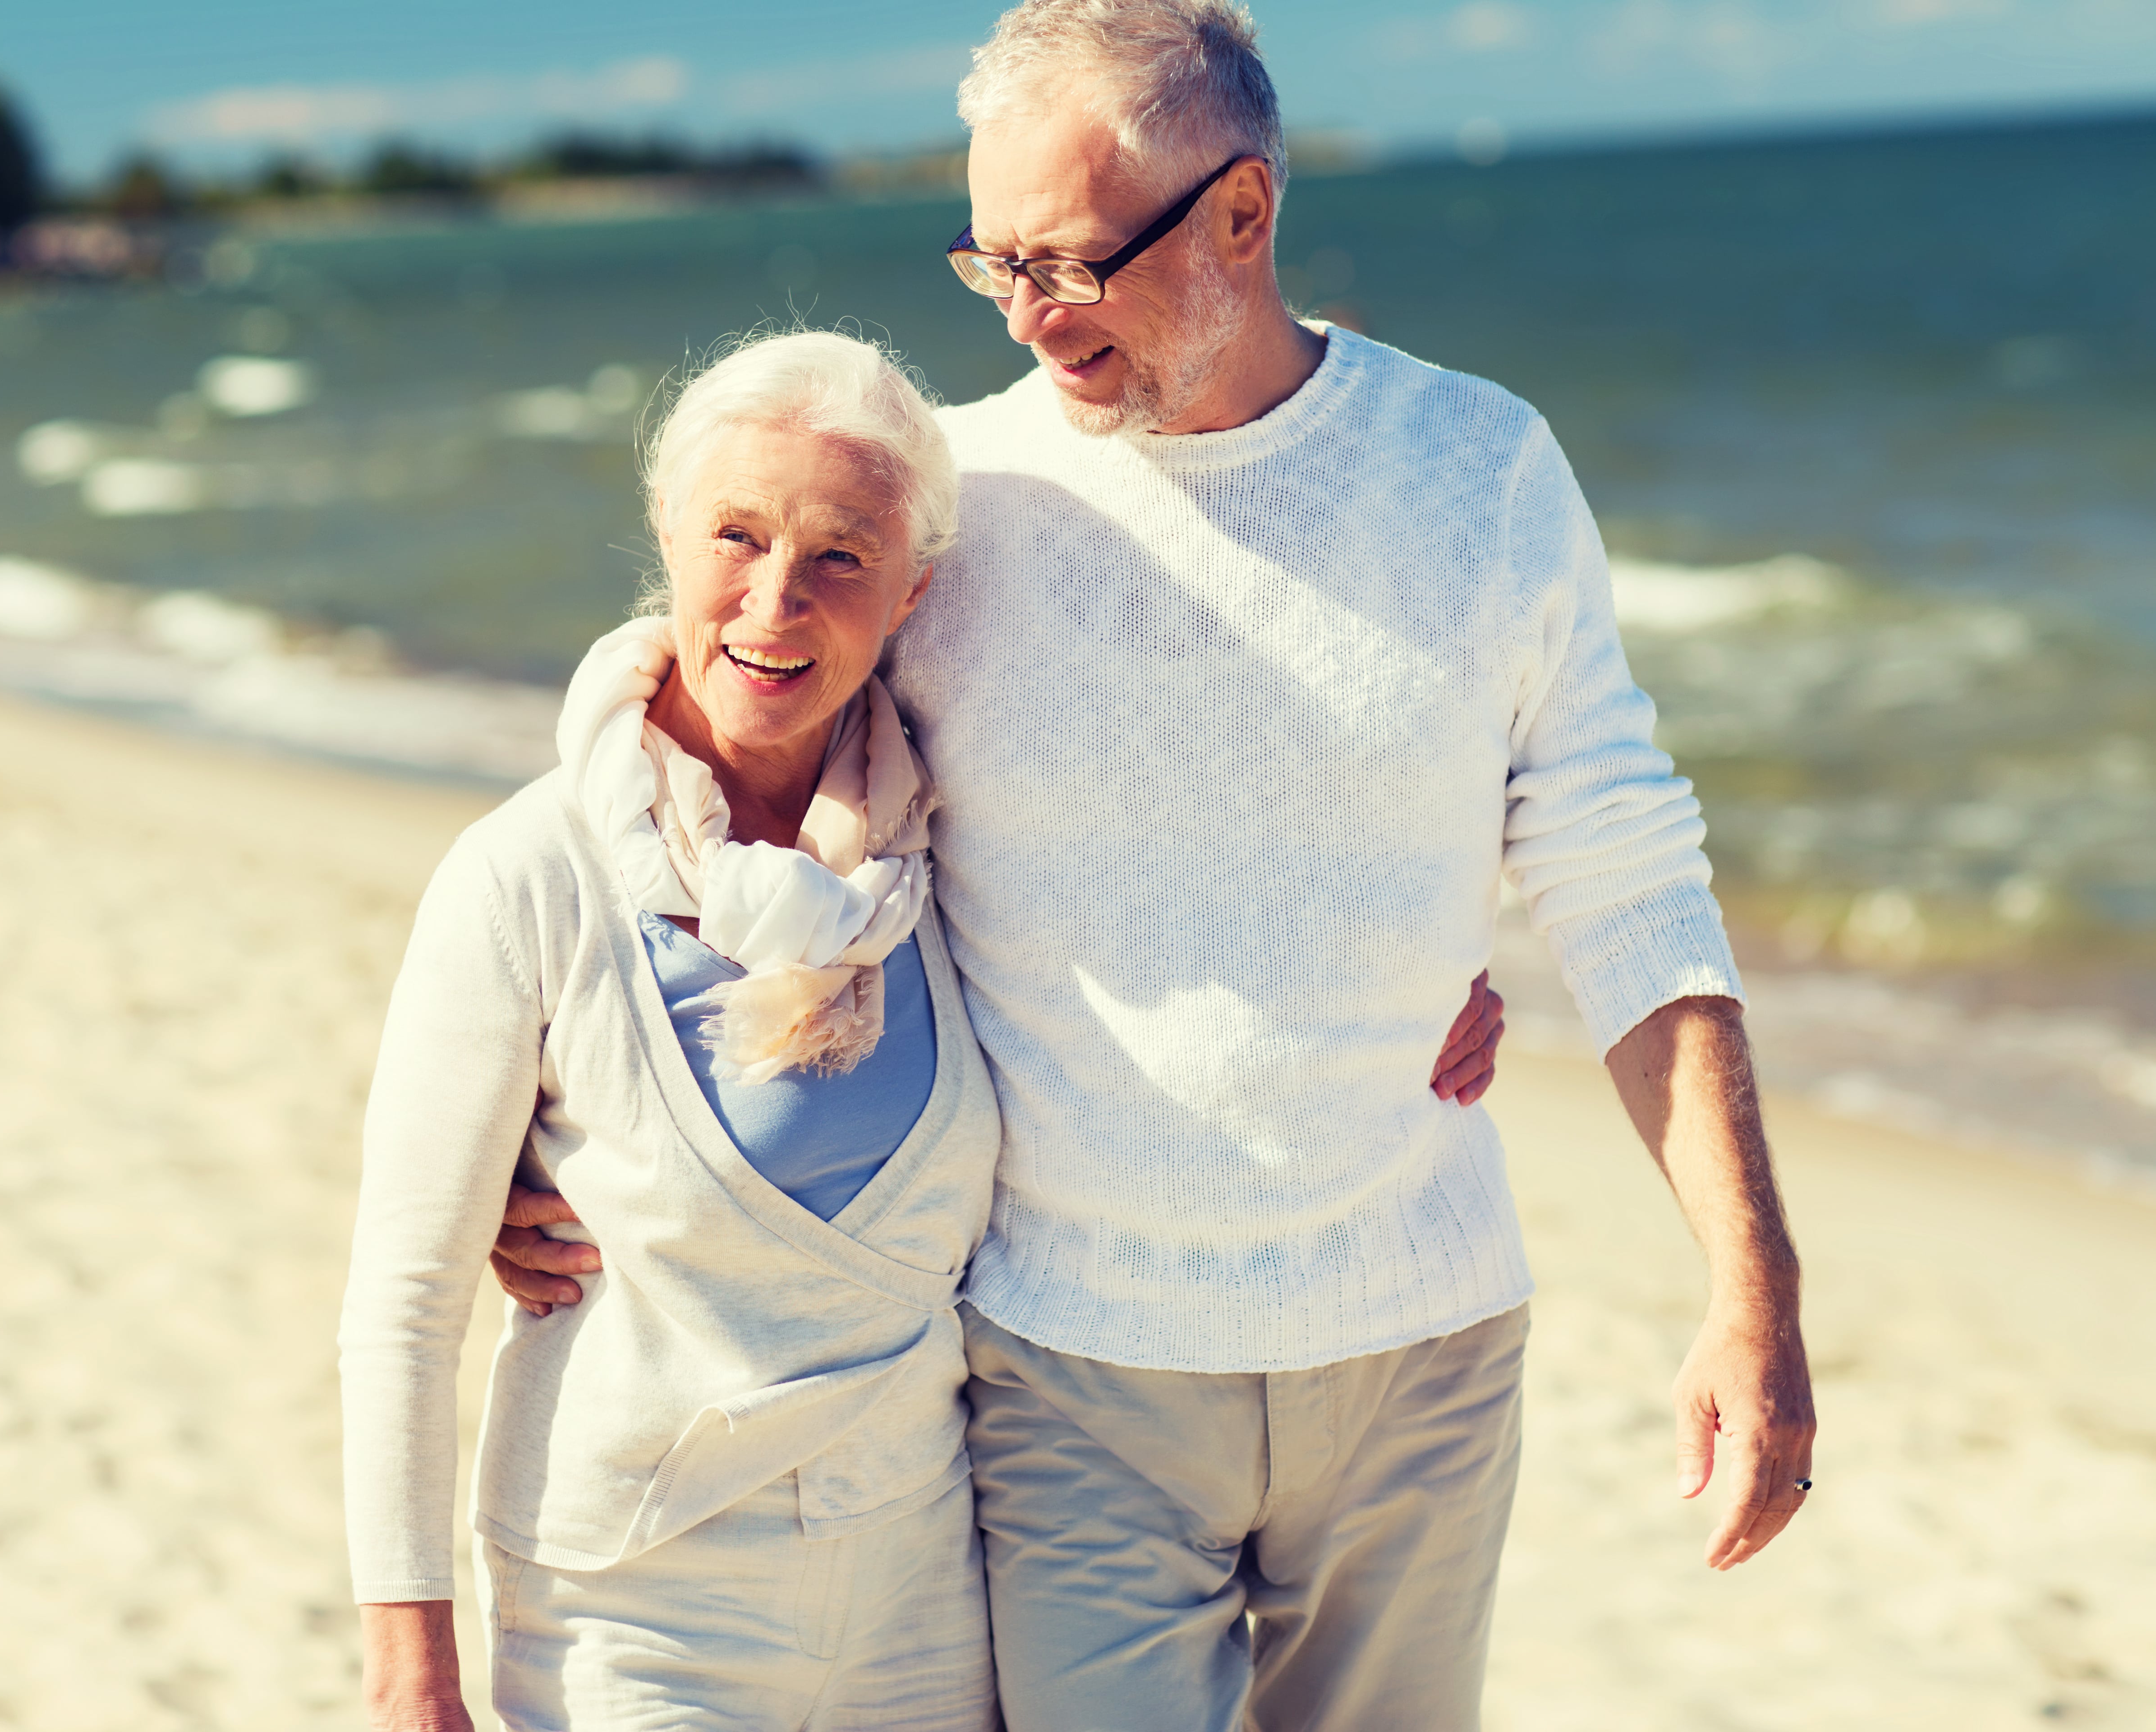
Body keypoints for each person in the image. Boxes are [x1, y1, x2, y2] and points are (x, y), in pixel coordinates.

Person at [492, 3, 1816, 1728]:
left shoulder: (1478, 473)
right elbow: (698, 745)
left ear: (1245, 215)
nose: (1034, 316)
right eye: (993, 264)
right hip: (1065, 1363)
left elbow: (1629, 877)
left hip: (1420, 1347)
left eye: (1075, 263)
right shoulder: (955, 505)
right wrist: (563, 1104)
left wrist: (1750, 1291)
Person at [343, 326, 1524, 1728]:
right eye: (736, 535)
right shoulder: (528, 878)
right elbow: (404, 1306)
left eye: (841, 555)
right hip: (638, 1608)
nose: (774, 601)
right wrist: (408, 1673)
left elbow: (1199, 889)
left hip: (918, 1598)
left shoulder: (953, 848)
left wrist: (1420, 981)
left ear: (912, 592)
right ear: (666, 532)